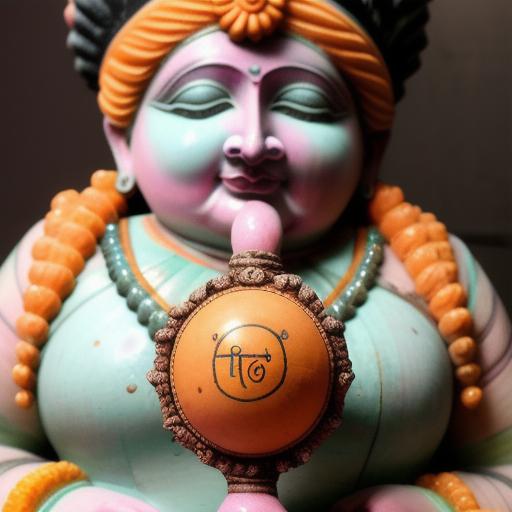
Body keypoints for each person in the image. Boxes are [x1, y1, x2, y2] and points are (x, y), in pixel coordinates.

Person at [0, 0, 510, 510]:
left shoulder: (433, 272)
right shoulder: (56, 262)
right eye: (200, 101)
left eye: (306, 105)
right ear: (123, 141)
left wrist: (430, 507)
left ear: (371, 148)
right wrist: (66, 505)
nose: (252, 143)